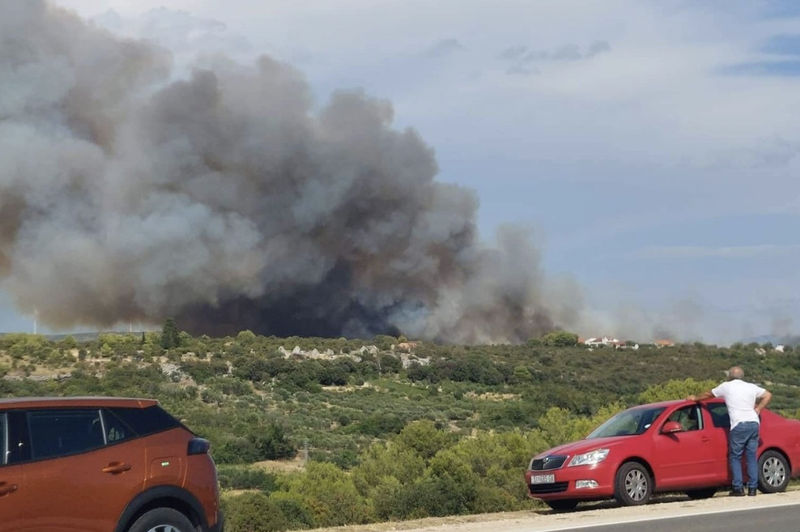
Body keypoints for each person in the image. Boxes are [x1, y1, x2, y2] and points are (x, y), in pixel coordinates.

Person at [687, 366, 772, 497]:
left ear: (730, 376)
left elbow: (708, 394)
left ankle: (738, 488)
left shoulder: (727, 386)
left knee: (735, 457)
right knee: (751, 457)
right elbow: (768, 395)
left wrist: (695, 398)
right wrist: (759, 409)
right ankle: (753, 488)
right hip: (754, 423)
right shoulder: (751, 387)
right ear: (742, 376)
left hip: (739, 424)